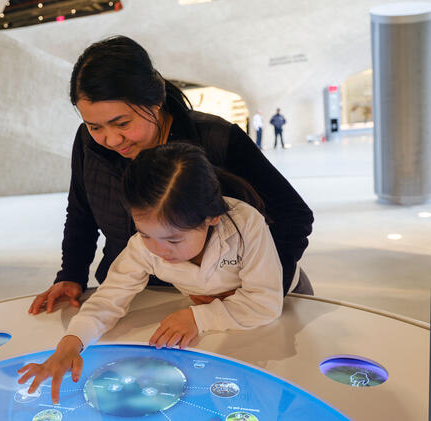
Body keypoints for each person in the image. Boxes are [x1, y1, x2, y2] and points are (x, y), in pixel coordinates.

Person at [28, 35, 313, 317]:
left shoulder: (216, 139)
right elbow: (81, 213)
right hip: (139, 300)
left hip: (240, 304)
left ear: (156, 102)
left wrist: (252, 289)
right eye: (94, 126)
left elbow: (293, 216)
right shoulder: (89, 144)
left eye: (122, 123)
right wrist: (72, 274)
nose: (111, 139)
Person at [18, 143, 284, 403]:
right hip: (227, 317)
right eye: (145, 234)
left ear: (211, 218)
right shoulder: (143, 248)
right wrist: (70, 344)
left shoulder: (246, 224)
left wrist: (198, 316)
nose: (158, 250)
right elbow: (108, 299)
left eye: (174, 240)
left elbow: (266, 301)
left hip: (286, 303)